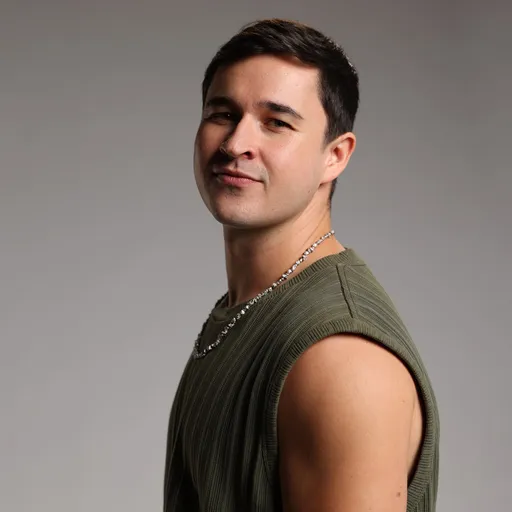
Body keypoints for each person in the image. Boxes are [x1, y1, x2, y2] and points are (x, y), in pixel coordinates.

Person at [163, 18, 439, 512]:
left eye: (277, 123)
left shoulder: (340, 360)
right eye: (222, 114)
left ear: (335, 155)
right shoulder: (247, 308)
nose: (235, 144)